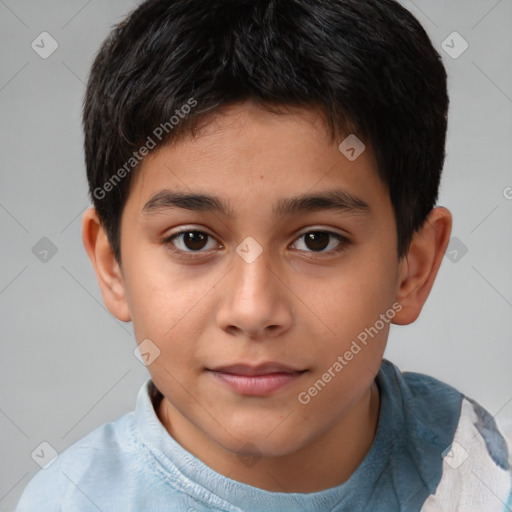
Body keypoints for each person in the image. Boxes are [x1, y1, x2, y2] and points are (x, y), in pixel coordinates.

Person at [15, 0, 512, 510]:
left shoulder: (478, 470)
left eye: (318, 240)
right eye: (193, 239)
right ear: (112, 265)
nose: (253, 311)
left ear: (413, 267)